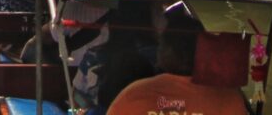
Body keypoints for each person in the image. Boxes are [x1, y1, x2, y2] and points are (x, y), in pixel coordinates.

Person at [106, 7, 247, 115]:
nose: (158, 50)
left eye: (162, 43)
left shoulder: (136, 93)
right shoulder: (228, 97)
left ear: (172, 51)